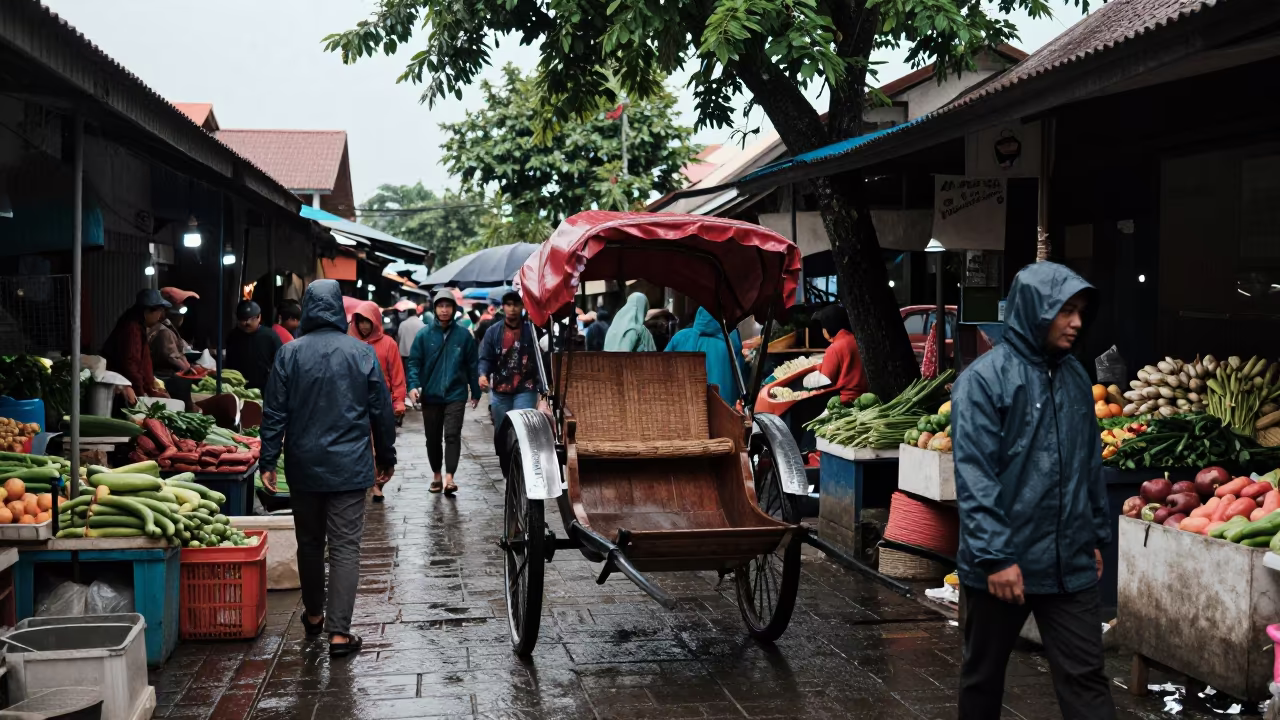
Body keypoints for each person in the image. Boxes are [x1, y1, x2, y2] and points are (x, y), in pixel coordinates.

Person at [952, 261, 1113, 720]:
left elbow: (1088, 461)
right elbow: (975, 476)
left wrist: (1095, 535)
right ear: (1034, 311)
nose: (1077, 323)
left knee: (1086, 678)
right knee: (983, 678)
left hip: (1070, 563)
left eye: (1081, 311)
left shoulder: (1077, 377)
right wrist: (996, 557)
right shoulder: (982, 381)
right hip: (1003, 564)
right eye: (1066, 311)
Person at [259, 279, 396, 658]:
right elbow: (381, 411)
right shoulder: (362, 353)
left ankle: (315, 616)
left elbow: (274, 412)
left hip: (303, 466)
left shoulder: (290, 354)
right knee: (345, 547)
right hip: (350, 467)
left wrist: (269, 459)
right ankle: (339, 633)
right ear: (340, 309)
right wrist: (386, 456)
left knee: (310, 543)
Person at [407, 289, 481, 495]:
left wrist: (475, 391)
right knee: (432, 438)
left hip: (455, 394)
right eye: (441, 306)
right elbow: (414, 363)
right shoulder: (424, 335)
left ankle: (450, 478)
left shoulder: (464, 336)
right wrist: (413, 385)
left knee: (452, 435)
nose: (445, 310)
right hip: (430, 394)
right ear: (435, 308)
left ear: (454, 309)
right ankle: (437, 476)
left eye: (448, 306)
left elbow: (471, 365)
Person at [350, 300, 407, 500]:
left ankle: (378, 480)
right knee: (366, 445)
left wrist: (398, 401)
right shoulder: (350, 344)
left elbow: (397, 376)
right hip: (356, 403)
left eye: (368, 321)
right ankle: (372, 483)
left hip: (382, 404)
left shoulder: (389, 344)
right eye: (360, 321)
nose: (364, 326)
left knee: (382, 444)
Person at [478, 291, 544, 438]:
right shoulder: (493, 332)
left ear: (522, 306)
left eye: (516, 304)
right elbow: (485, 358)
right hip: (500, 390)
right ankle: (505, 460)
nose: (512, 308)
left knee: (523, 431)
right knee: (502, 432)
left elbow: (542, 357)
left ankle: (520, 460)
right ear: (503, 307)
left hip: (526, 389)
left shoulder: (532, 331)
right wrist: (483, 375)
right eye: (508, 305)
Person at [665, 307, 746, 407]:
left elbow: (663, 366)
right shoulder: (729, 345)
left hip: (683, 405)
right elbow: (739, 381)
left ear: (698, 316)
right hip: (720, 410)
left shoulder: (680, 337)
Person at [103, 289, 171, 407]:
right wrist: (141, 393)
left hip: (129, 385)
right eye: (159, 311)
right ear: (148, 310)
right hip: (122, 388)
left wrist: (150, 389)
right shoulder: (131, 328)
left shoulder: (137, 323)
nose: (159, 316)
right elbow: (131, 363)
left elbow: (141, 361)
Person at [224, 300, 283, 391]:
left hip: (264, 388)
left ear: (259, 317)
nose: (247, 323)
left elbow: (281, 362)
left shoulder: (270, 336)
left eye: (251, 319)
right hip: (237, 387)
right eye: (243, 319)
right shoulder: (233, 336)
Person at [817, 305, 868, 403]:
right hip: (867, 397)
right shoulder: (858, 340)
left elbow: (824, 382)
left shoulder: (833, 349)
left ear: (827, 328)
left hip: (846, 402)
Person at [148, 288, 198, 375]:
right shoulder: (163, 331)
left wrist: (190, 366)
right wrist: (187, 370)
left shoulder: (169, 329)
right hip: (166, 376)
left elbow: (179, 349)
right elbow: (170, 357)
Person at [397, 308, 425, 372]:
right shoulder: (421, 324)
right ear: (416, 313)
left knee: (407, 373)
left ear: (407, 314)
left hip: (406, 355)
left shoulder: (403, 324)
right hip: (418, 355)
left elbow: (399, 337)